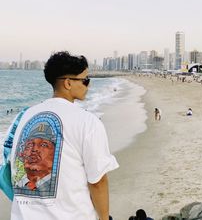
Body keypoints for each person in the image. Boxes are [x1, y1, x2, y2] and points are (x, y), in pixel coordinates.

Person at [9, 51, 119, 220]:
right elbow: (98, 181)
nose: (88, 86)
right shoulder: (87, 122)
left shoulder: (25, 117)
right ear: (68, 83)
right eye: (85, 80)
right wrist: (104, 217)